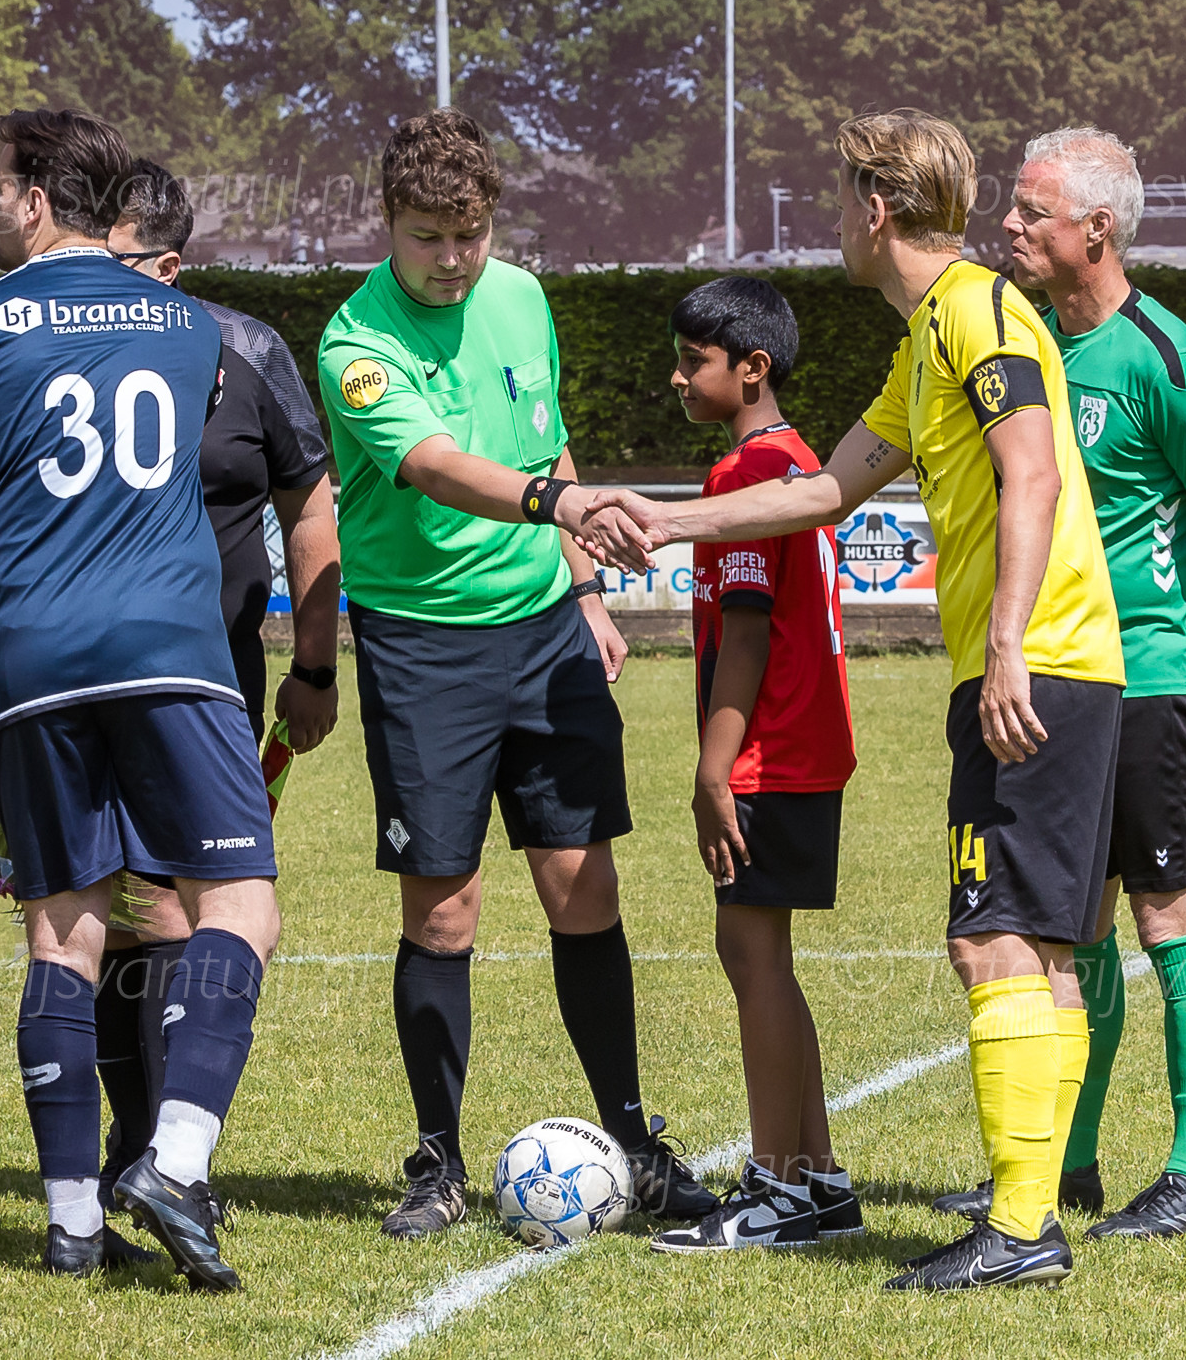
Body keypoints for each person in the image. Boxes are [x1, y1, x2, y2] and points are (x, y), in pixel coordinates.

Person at [575, 108, 1125, 1290]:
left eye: (837, 201)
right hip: (1046, 663)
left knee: (991, 942)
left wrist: (1009, 645)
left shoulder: (974, 311)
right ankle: (1027, 1215)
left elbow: (1031, 471)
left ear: (874, 210)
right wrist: (668, 520)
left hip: (1039, 662)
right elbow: (823, 491)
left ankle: (1019, 1231)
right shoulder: (928, 336)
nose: (833, 223)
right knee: (1032, 945)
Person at [0, 108, 277, 1291]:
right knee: (237, 905)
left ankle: (72, 1225)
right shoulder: (191, 327)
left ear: (38, 200)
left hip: (30, 663)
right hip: (170, 652)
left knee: (61, 931)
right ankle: (175, 1162)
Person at [313, 106, 713, 1240]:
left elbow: (544, 440)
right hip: (422, 644)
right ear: (388, 222)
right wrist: (562, 505)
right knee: (444, 909)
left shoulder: (523, 296)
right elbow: (440, 467)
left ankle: (634, 1146)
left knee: (585, 889)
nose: (452, 259)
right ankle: (436, 1163)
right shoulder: (353, 343)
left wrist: (583, 588)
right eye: (429, 236)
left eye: (470, 234)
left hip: (546, 632)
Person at [0, 156, 344, 1248]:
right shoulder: (37, 337)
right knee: (108, 918)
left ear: (167, 265)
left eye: (110, 259)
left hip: (204, 677)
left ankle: (159, 1161)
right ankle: (149, 1157)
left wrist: (313, 668)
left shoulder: (240, 348)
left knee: (166, 911)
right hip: (80, 679)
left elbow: (310, 509)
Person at [930, 128, 1186, 1239]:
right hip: (1066, 681)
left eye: (1032, 212)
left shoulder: (1163, 358)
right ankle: (1065, 1166)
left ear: (1097, 230)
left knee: (1171, 918)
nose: (1008, 225)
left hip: (1153, 680)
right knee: (1074, 932)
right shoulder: (1023, 342)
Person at [643, 277, 864, 1256]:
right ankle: (817, 1178)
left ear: (751, 367)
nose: (678, 377)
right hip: (804, 749)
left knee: (751, 956)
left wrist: (712, 770)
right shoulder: (796, 461)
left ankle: (775, 1187)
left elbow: (747, 632)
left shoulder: (749, 476)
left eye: (693, 361)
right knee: (762, 956)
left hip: (770, 754)